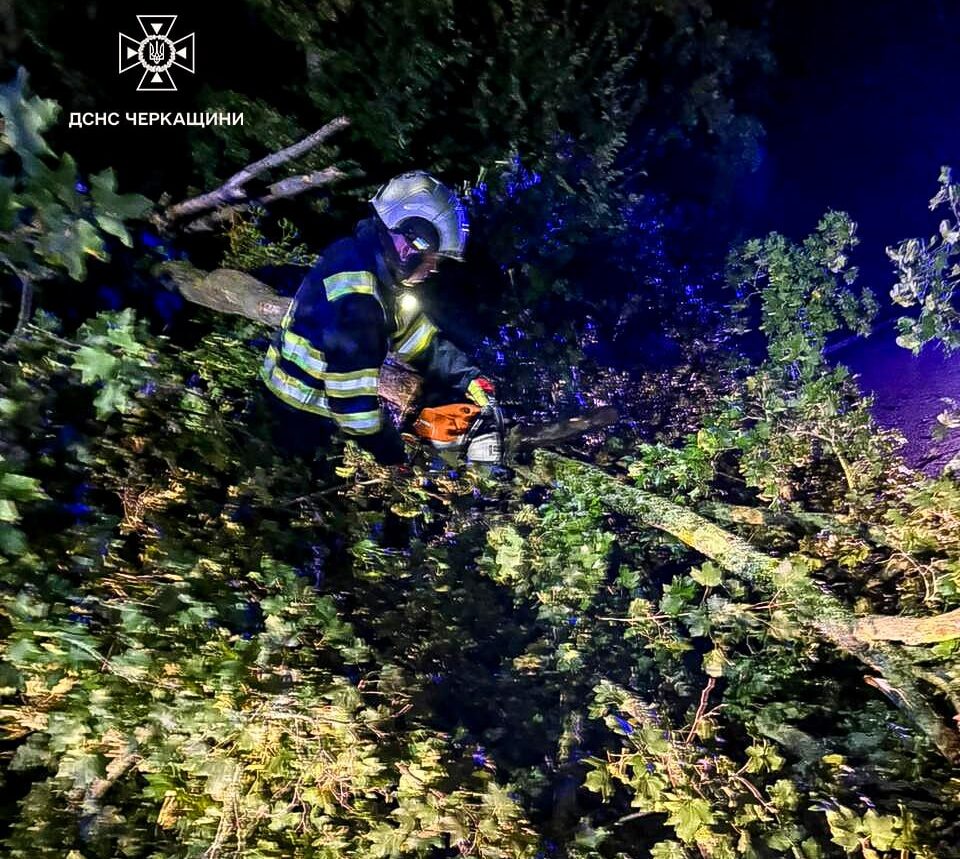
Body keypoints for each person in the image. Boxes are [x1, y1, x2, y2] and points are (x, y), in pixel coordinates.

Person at [260, 171, 496, 465]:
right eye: (432, 257)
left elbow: (418, 339)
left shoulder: (368, 265)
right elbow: (354, 410)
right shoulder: (360, 303)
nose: (433, 268)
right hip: (296, 417)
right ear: (411, 241)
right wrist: (394, 452)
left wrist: (472, 379)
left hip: (301, 405)